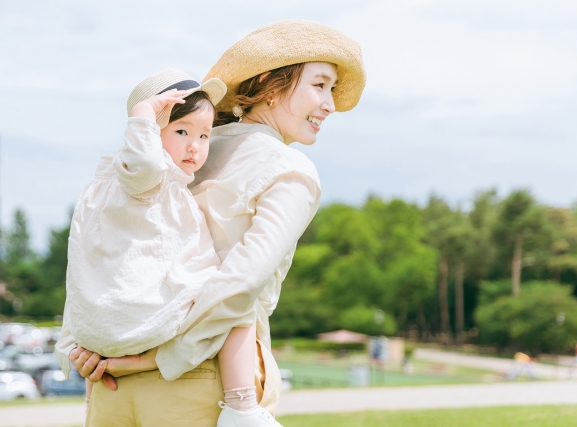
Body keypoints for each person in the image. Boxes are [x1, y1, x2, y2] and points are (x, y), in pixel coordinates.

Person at [60, 20, 366, 426]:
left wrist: (84, 342)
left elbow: (102, 242)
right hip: (201, 376)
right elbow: (241, 282)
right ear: (272, 86)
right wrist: (156, 358)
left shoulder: (176, 145)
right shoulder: (289, 171)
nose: (330, 105)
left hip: (109, 376)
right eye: (320, 85)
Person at [57, 68, 283, 426]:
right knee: (234, 298)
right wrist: (143, 116)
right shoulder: (146, 177)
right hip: (150, 319)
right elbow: (144, 161)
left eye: (204, 135)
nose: (195, 146)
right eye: (181, 131)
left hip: (108, 325)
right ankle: (242, 408)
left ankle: (91, 407)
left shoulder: (103, 191)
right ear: (146, 135)